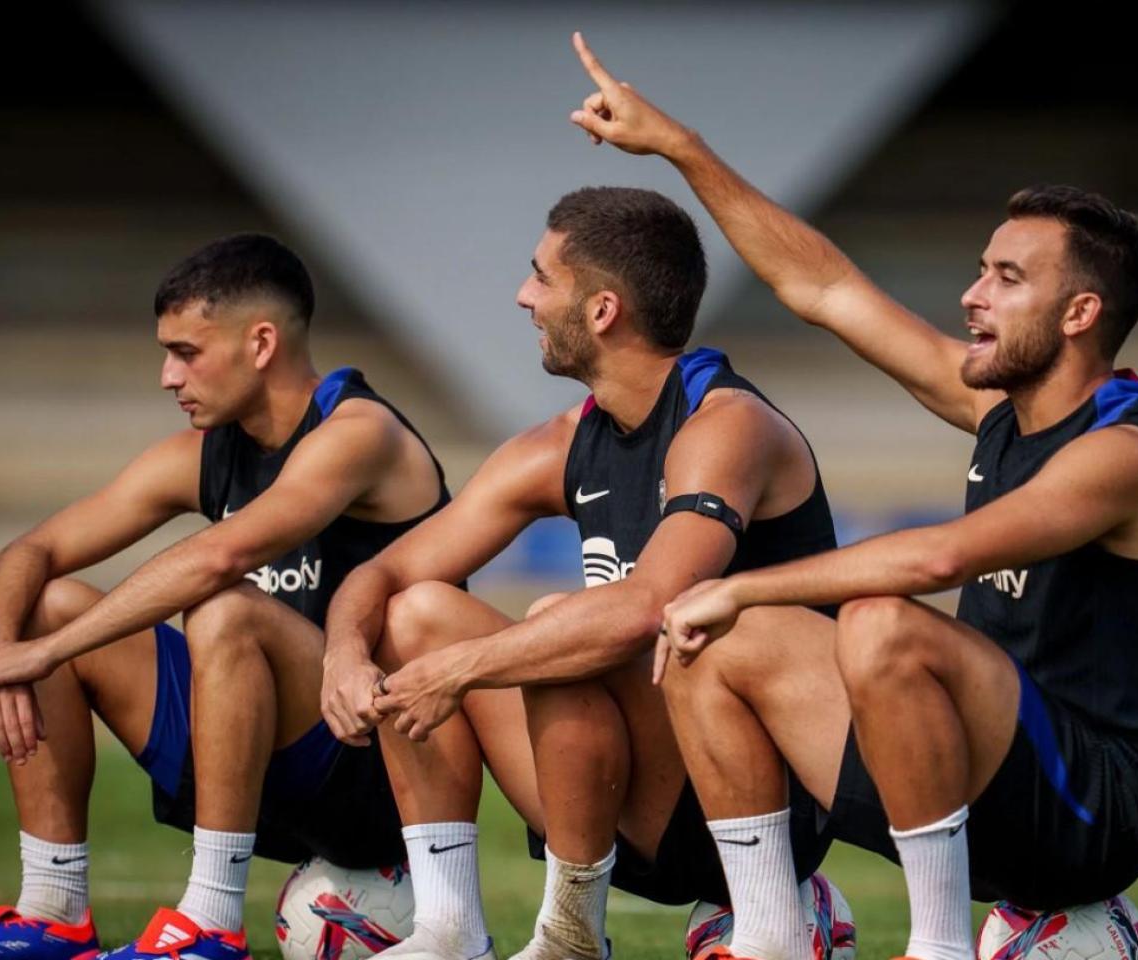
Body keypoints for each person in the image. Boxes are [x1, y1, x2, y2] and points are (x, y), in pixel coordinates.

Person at [566, 33, 1138, 960]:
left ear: (1080, 314)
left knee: (878, 623)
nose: (973, 295)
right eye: (983, 269)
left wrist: (745, 582)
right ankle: (774, 931)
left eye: (1006, 278)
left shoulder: (1126, 454)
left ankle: (937, 947)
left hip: (1091, 806)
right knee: (703, 637)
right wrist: (680, 148)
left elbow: (938, 558)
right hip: (964, 770)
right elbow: (820, 285)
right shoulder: (997, 406)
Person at [319, 186, 837, 960]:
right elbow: (385, 572)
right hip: (623, 795)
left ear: (602, 310)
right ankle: (450, 928)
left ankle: (590, 934)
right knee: (417, 612)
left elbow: (651, 607)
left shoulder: (725, 424)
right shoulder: (559, 443)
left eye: (541, 276)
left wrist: (460, 672)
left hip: (759, 806)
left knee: (564, 624)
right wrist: (343, 655)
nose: (523, 296)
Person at [0, 235, 451, 960]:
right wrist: (1, 649)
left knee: (223, 606)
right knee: (46, 600)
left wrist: (40, 655)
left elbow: (225, 554)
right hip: (257, 755)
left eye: (186, 352)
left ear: (262, 342)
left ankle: (210, 923)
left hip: (381, 761)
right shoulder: (204, 454)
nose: (166, 376)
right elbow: (30, 552)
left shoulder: (360, 433)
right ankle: (51, 911)